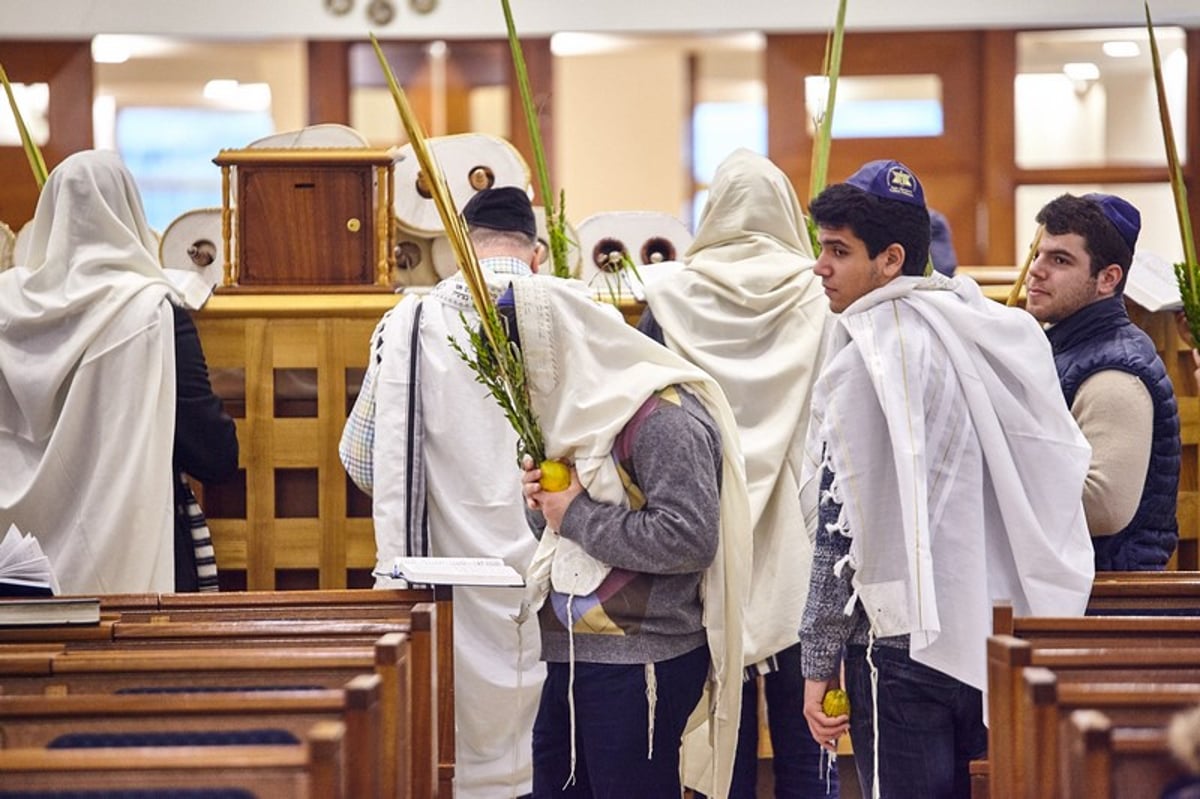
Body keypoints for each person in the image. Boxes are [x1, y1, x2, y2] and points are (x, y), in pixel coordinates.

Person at [798, 159, 1096, 798]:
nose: (820, 266)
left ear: (890, 259)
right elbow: (1055, 466)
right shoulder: (993, 327)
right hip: (997, 628)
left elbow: (839, 529)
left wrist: (816, 662)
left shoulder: (871, 356)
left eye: (837, 250)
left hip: (901, 638)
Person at [340, 185, 548, 799]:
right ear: (536, 254)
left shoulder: (412, 320)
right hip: (550, 579)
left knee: (452, 750)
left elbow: (362, 457)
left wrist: (430, 494)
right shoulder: (571, 310)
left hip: (441, 577)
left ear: (462, 253)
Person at [638, 148, 833, 798]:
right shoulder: (822, 294)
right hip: (801, 539)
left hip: (705, 536)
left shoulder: (666, 296)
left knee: (722, 736)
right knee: (808, 739)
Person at [511, 275, 751, 799]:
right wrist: (542, 506)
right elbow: (561, 535)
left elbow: (688, 538)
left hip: (642, 657)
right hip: (575, 653)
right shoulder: (575, 415)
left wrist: (572, 512)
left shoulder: (663, 417)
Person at [0, 149, 238, 594]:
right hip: (127, 574)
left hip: (15, 574)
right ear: (132, 211)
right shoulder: (151, 312)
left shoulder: (5, 307)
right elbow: (215, 456)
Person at [1024, 193, 1181, 570]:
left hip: (1110, 599)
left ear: (1108, 278)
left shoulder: (1115, 371)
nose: (1036, 270)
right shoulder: (1069, 346)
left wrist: (990, 489)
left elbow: (1103, 506)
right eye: (1037, 254)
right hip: (1076, 586)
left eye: (1060, 260)